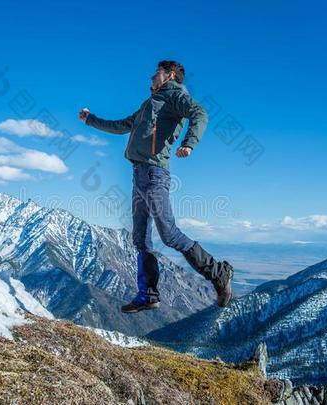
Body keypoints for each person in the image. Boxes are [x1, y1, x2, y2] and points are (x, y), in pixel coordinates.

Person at [78, 60, 233, 313]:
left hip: (154, 173)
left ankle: (219, 273)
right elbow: (121, 126)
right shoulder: (150, 103)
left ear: (169, 75)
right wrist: (90, 120)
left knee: (169, 234)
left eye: (155, 73)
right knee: (140, 238)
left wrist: (189, 143)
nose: (150, 78)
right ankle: (148, 294)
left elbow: (200, 113)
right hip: (139, 174)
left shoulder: (176, 96)